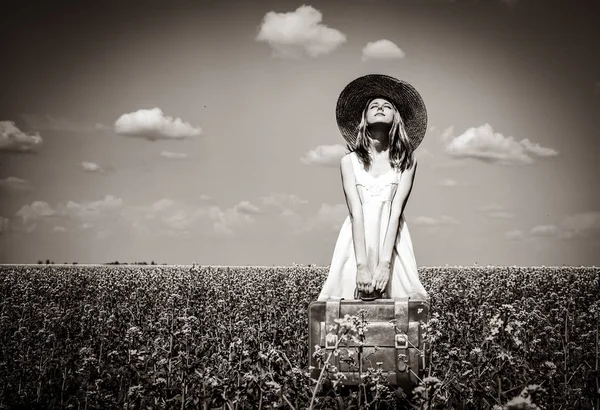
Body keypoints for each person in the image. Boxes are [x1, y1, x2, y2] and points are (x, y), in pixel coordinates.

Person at [317, 74, 430, 301]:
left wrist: (385, 264)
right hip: (356, 243)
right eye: (374, 106)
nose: (380, 108)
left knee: (405, 308)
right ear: (364, 118)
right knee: (344, 308)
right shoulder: (348, 162)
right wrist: (362, 265)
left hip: (392, 242)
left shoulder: (408, 161)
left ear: (396, 118)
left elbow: (396, 210)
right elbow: (355, 213)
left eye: (387, 106)